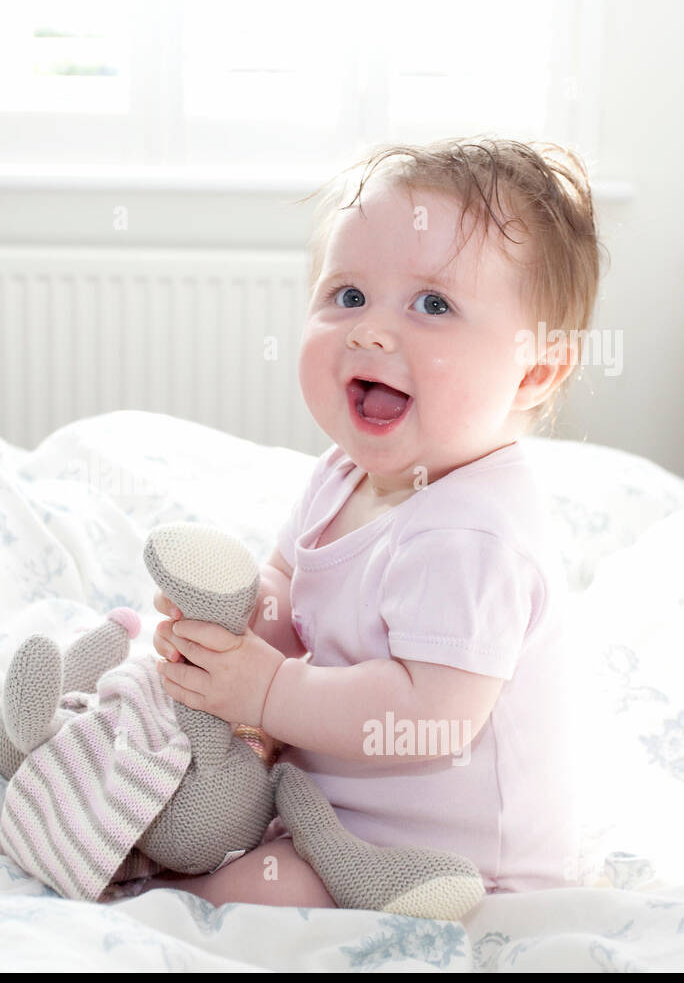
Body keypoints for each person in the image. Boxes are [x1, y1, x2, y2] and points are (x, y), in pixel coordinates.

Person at [143, 137, 606, 907]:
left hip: (447, 855)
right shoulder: (344, 470)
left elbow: (431, 715)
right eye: (348, 296)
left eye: (433, 305)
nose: (370, 331)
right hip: (333, 802)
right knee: (177, 819)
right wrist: (228, 629)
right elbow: (292, 589)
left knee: (224, 898)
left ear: (533, 370)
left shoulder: (472, 531)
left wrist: (269, 695)